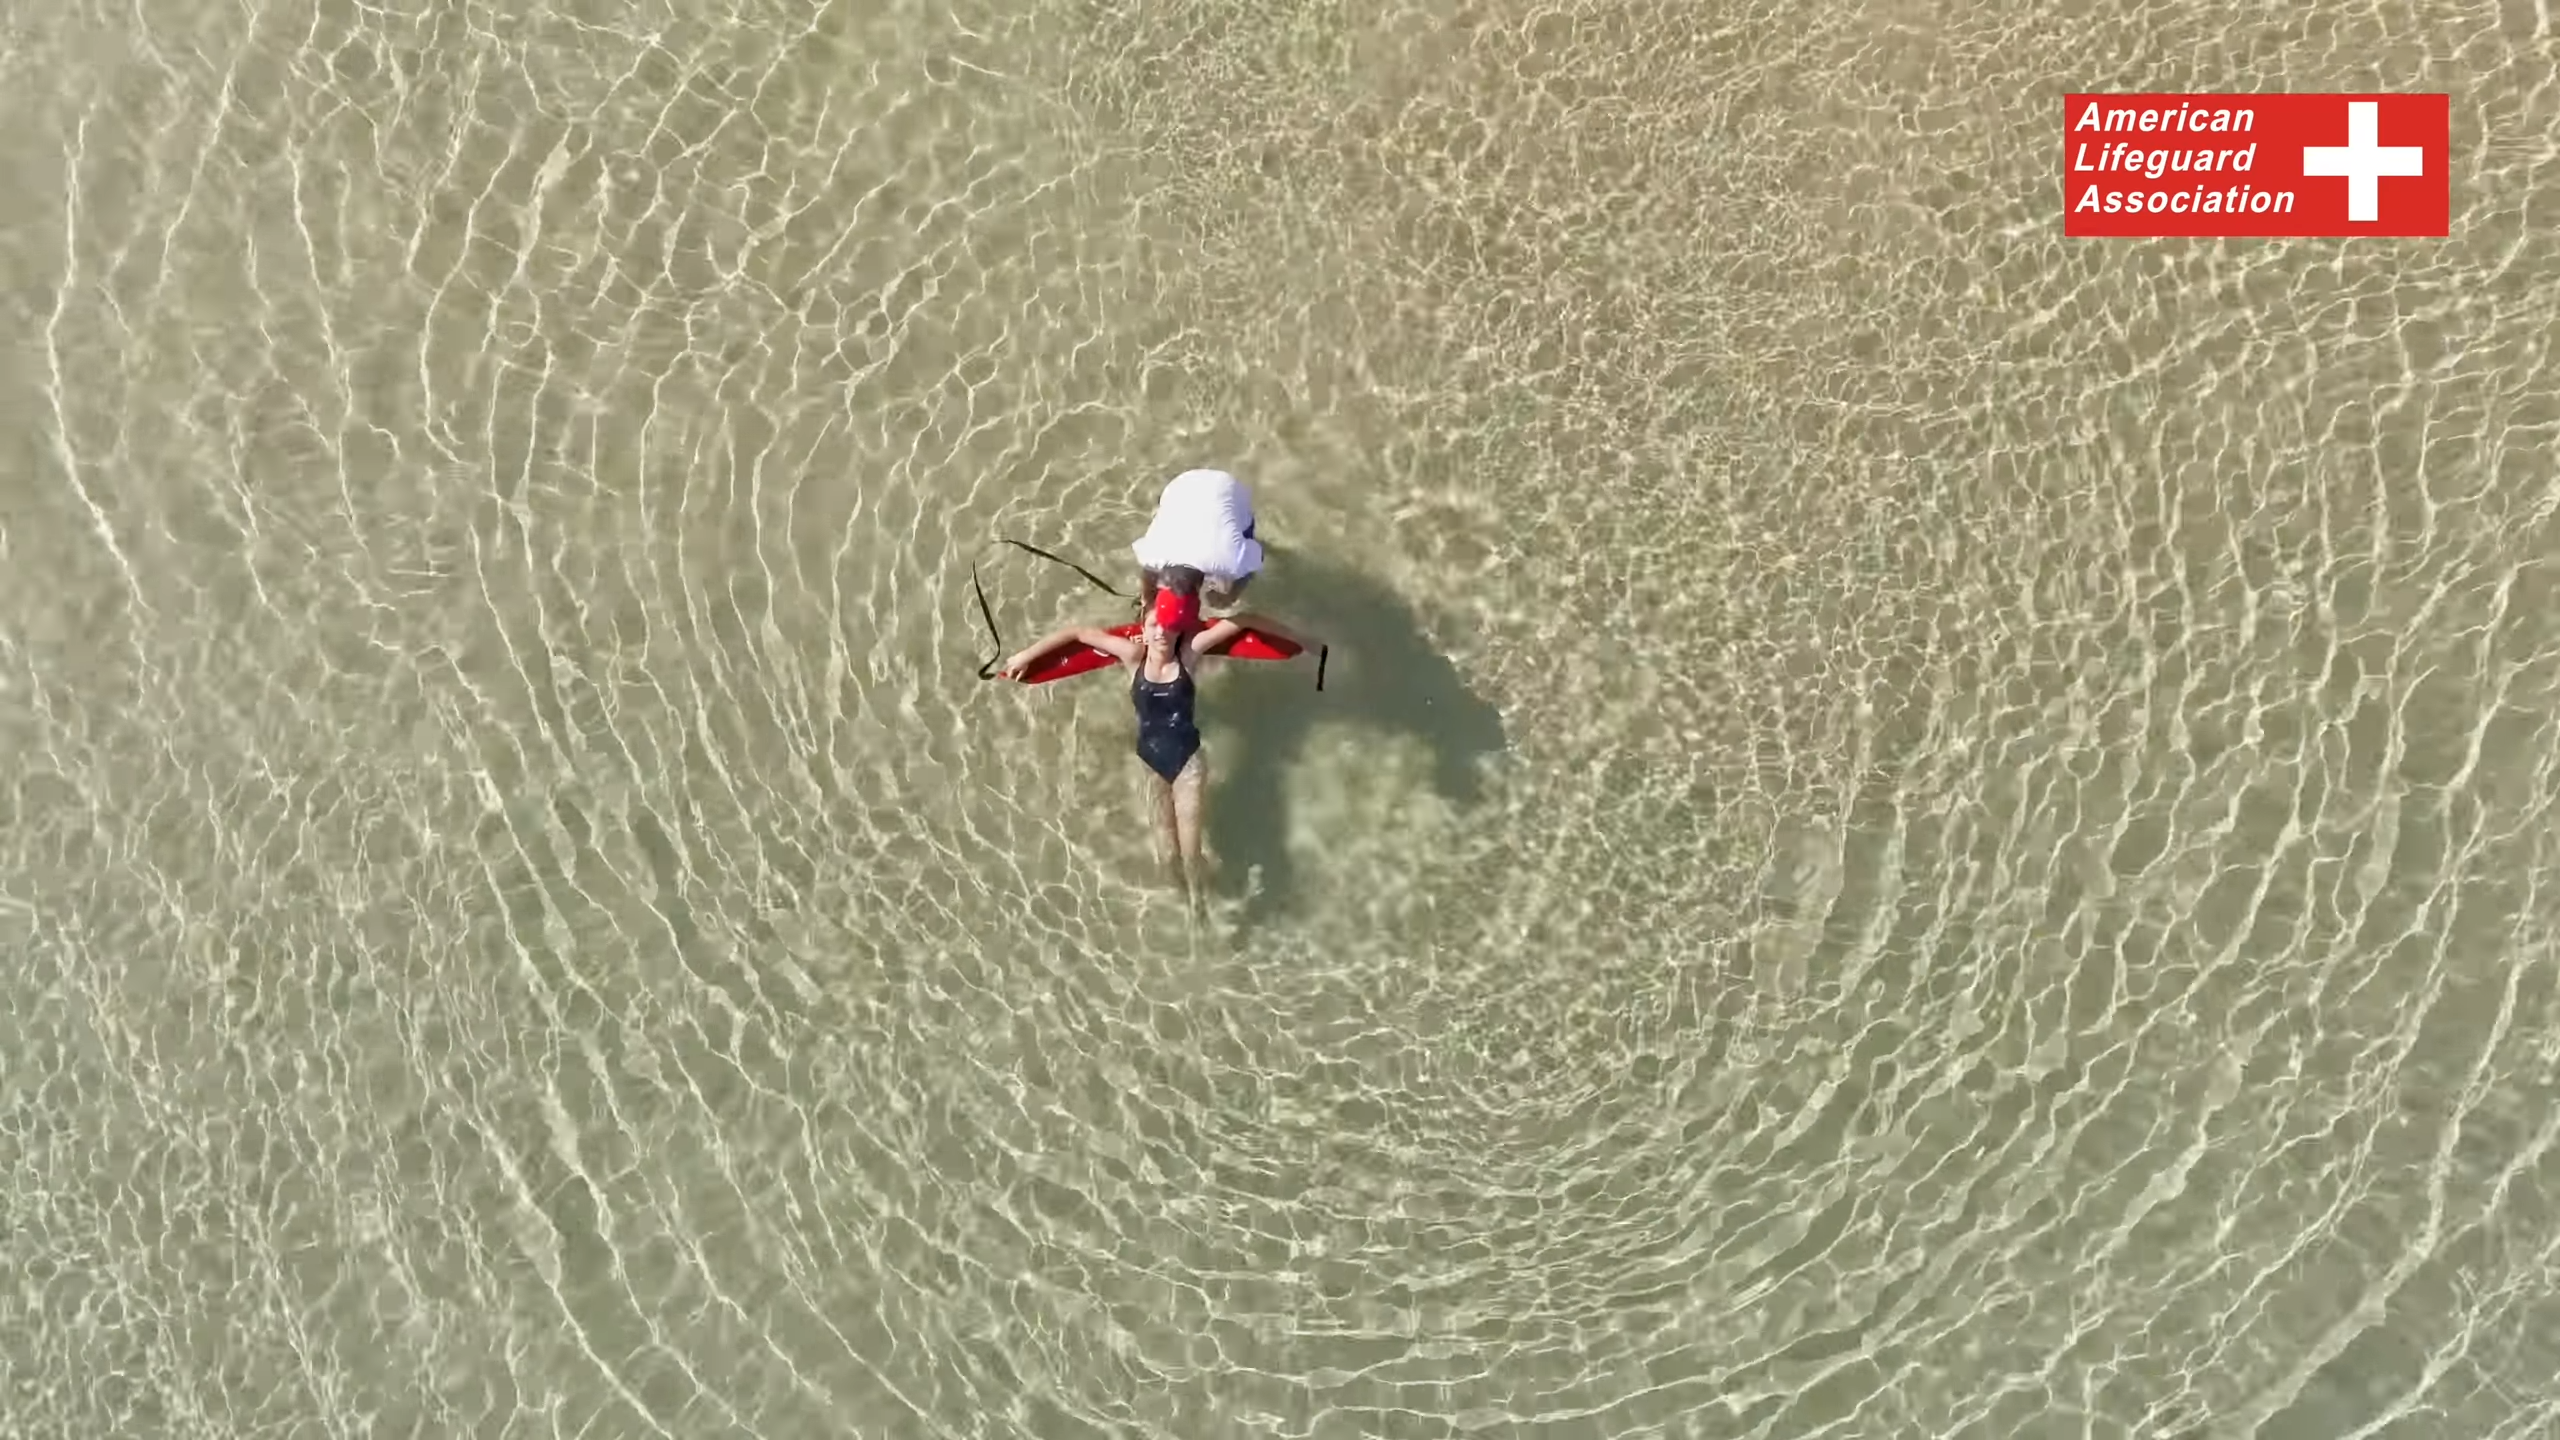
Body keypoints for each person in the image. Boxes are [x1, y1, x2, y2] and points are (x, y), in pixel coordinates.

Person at [998, 568, 1319, 888]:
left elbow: (1245, 620)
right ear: (1143, 628)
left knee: (1192, 854)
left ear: (1178, 629)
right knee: (1167, 857)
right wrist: (1023, 657)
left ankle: (1200, 910)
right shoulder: (1132, 655)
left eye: (1167, 627)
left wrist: (1304, 641)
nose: (1160, 633)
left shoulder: (1189, 654)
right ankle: (1183, 900)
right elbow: (1079, 633)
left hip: (1188, 761)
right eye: (1153, 625)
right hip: (1149, 761)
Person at [1132, 468, 1262, 610]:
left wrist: (1230, 596)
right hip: (1182, 484)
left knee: (1221, 601)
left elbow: (1258, 556)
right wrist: (1147, 602)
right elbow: (1148, 575)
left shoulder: (1232, 563)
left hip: (1229, 490)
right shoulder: (1151, 556)